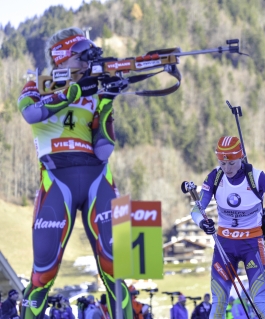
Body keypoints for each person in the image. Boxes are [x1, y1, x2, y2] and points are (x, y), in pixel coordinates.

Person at [17, 27, 132, 319]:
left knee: (116, 270)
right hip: (56, 179)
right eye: (83, 55)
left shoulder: (94, 91)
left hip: (99, 178)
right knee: (43, 272)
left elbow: (104, 150)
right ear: (62, 58)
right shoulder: (37, 85)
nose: (88, 62)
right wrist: (74, 92)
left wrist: (106, 103)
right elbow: (31, 113)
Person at [189, 136, 265, 318]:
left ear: (241, 157)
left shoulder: (257, 177)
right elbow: (196, 209)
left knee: (259, 299)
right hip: (224, 245)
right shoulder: (215, 176)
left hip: (252, 244)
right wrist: (202, 223)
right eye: (222, 163)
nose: (227, 168)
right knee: (219, 299)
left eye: (232, 163)